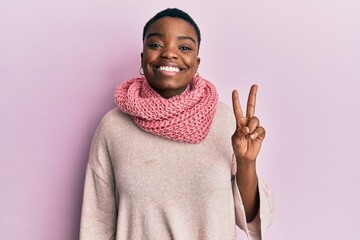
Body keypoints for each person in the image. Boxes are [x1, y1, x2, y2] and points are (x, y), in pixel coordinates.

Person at [80, 8, 272, 240]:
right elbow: (96, 224)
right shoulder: (113, 126)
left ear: (196, 63)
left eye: (184, 47)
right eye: (156, 45)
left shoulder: (225, 121)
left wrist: (246, 162)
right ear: (142, 58)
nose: (169, 54)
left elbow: (251, 219)